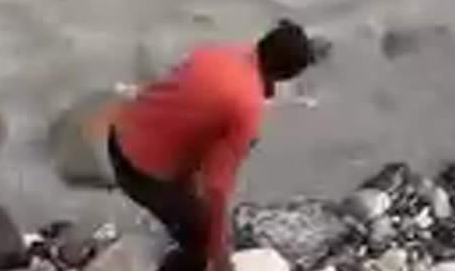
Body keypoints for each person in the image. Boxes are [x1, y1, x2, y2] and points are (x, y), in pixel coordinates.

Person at [107, 19, 324, 271]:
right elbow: (217, 188)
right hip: (139, 174)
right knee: (199, 240)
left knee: (208, 156)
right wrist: (218, 252)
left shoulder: (216, 53)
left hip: (120, 134)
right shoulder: (247, 108)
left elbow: (170, 92)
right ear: (287, 74)